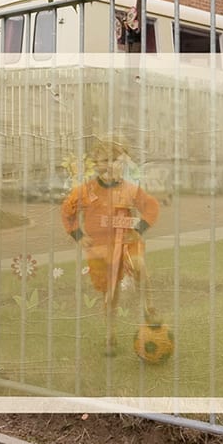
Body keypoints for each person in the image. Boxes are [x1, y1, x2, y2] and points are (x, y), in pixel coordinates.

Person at [60, 139, 160, 354]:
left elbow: (151, 207)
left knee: (139, 264)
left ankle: (149, 307)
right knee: (110, 293)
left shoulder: (130, 190)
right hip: (101, 249)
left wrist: (138, 228)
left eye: (116, 159)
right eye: (105, 160)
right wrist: (78, 235)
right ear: (95, 164)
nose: (111, 164)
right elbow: (67, 211)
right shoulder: (85, 191)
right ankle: (110, 335)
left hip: (127, 242)